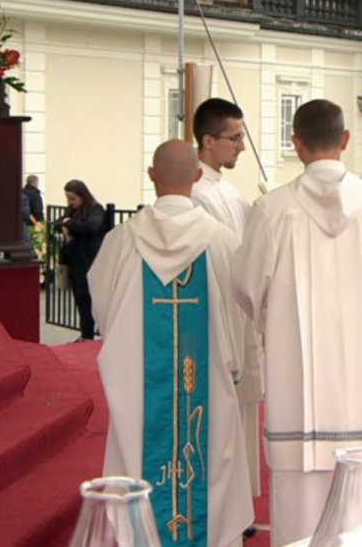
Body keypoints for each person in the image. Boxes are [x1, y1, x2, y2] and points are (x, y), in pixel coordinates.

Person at [232, 100, 362, 547]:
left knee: (302, 524)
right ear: (346, 140)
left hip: (299, 402)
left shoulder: (272, 209)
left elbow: (247, 287)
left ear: (296, 143)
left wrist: (276, 322)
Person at [89, 140, 252, 547]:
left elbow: (103, 311)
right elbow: (240, 317)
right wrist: (232, 364)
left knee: (137, 460)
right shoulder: (222, 241)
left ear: (151, 175)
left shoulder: (121, 241)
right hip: (208, 385)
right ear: (197, 177)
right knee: (210, 474)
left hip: (140, 392)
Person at [189, 98, 264, 507]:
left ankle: (240, 504)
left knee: (242, 412)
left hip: (240, 313)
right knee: (222, 412)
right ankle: (224, 504)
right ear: (208, 140)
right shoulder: (196, 193)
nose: (241, 146)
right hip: (218, 315)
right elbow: (223, 254)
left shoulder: (228, 190)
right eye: (234, 138)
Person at [58, 179, 105, 341]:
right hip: (75, 260)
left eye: (73, 198)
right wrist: (65, 224)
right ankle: (85, 334)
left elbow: (91, 226)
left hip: (88, 260)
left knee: (88, 299)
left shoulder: (95, 209)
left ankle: (89, 335)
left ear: (83, 196)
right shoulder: (72, 210)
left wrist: (69, 224)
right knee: (80, 299)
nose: (70, 202)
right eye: (68, 198)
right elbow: (58, 223)